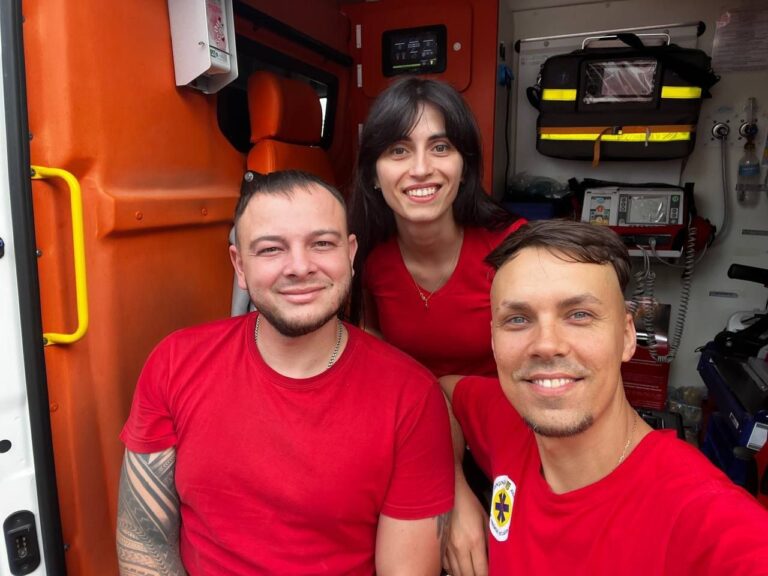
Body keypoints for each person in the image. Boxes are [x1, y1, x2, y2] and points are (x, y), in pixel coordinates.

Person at [116, 170, 454, 576]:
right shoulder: (175, 363)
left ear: (350, 254)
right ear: (239, 265)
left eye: (321, 243)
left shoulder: (411, 397)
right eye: (271, 249)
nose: (299, 266)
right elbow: (144, 542)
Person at [441, 219, 768, 576]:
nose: (546, 344)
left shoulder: (704, 518)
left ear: (627, 337)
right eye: (518, 319)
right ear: (493, 341)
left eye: (579, 315)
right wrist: (455, 493)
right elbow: (441, 392)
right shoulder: (505, 420)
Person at [349, 77, 525, 378]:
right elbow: (369, 335)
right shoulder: (366, 252)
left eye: (440, 147)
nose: (421, 169)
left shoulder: (513, 247)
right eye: (398, 150)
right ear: (373, 176)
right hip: (413, 402)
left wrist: (448, 390)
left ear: (464, 168)